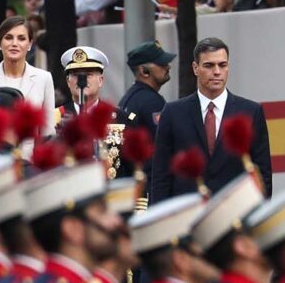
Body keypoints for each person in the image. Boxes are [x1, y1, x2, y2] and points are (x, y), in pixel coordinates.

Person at [149, 37, 273, 203]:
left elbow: (262, 174)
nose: (217, 71)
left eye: (222, 65)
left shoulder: (251, 112)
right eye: (209, 65)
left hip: (236, 217)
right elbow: (160, 176)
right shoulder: (173, 113)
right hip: (188, 217)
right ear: (195, 68)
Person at [0, 16, 55, 119]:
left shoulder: (44, 78)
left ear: (29, 45)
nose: (14, 43)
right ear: (0, 43)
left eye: (21, 38)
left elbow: (48, 129)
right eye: (8, 37)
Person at [115, 40, 176, 177]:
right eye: (162, 63)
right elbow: (162, 146)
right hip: (149, 183)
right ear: (144, 71)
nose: (168, 67)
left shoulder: (130, 98)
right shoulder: (152, 102)